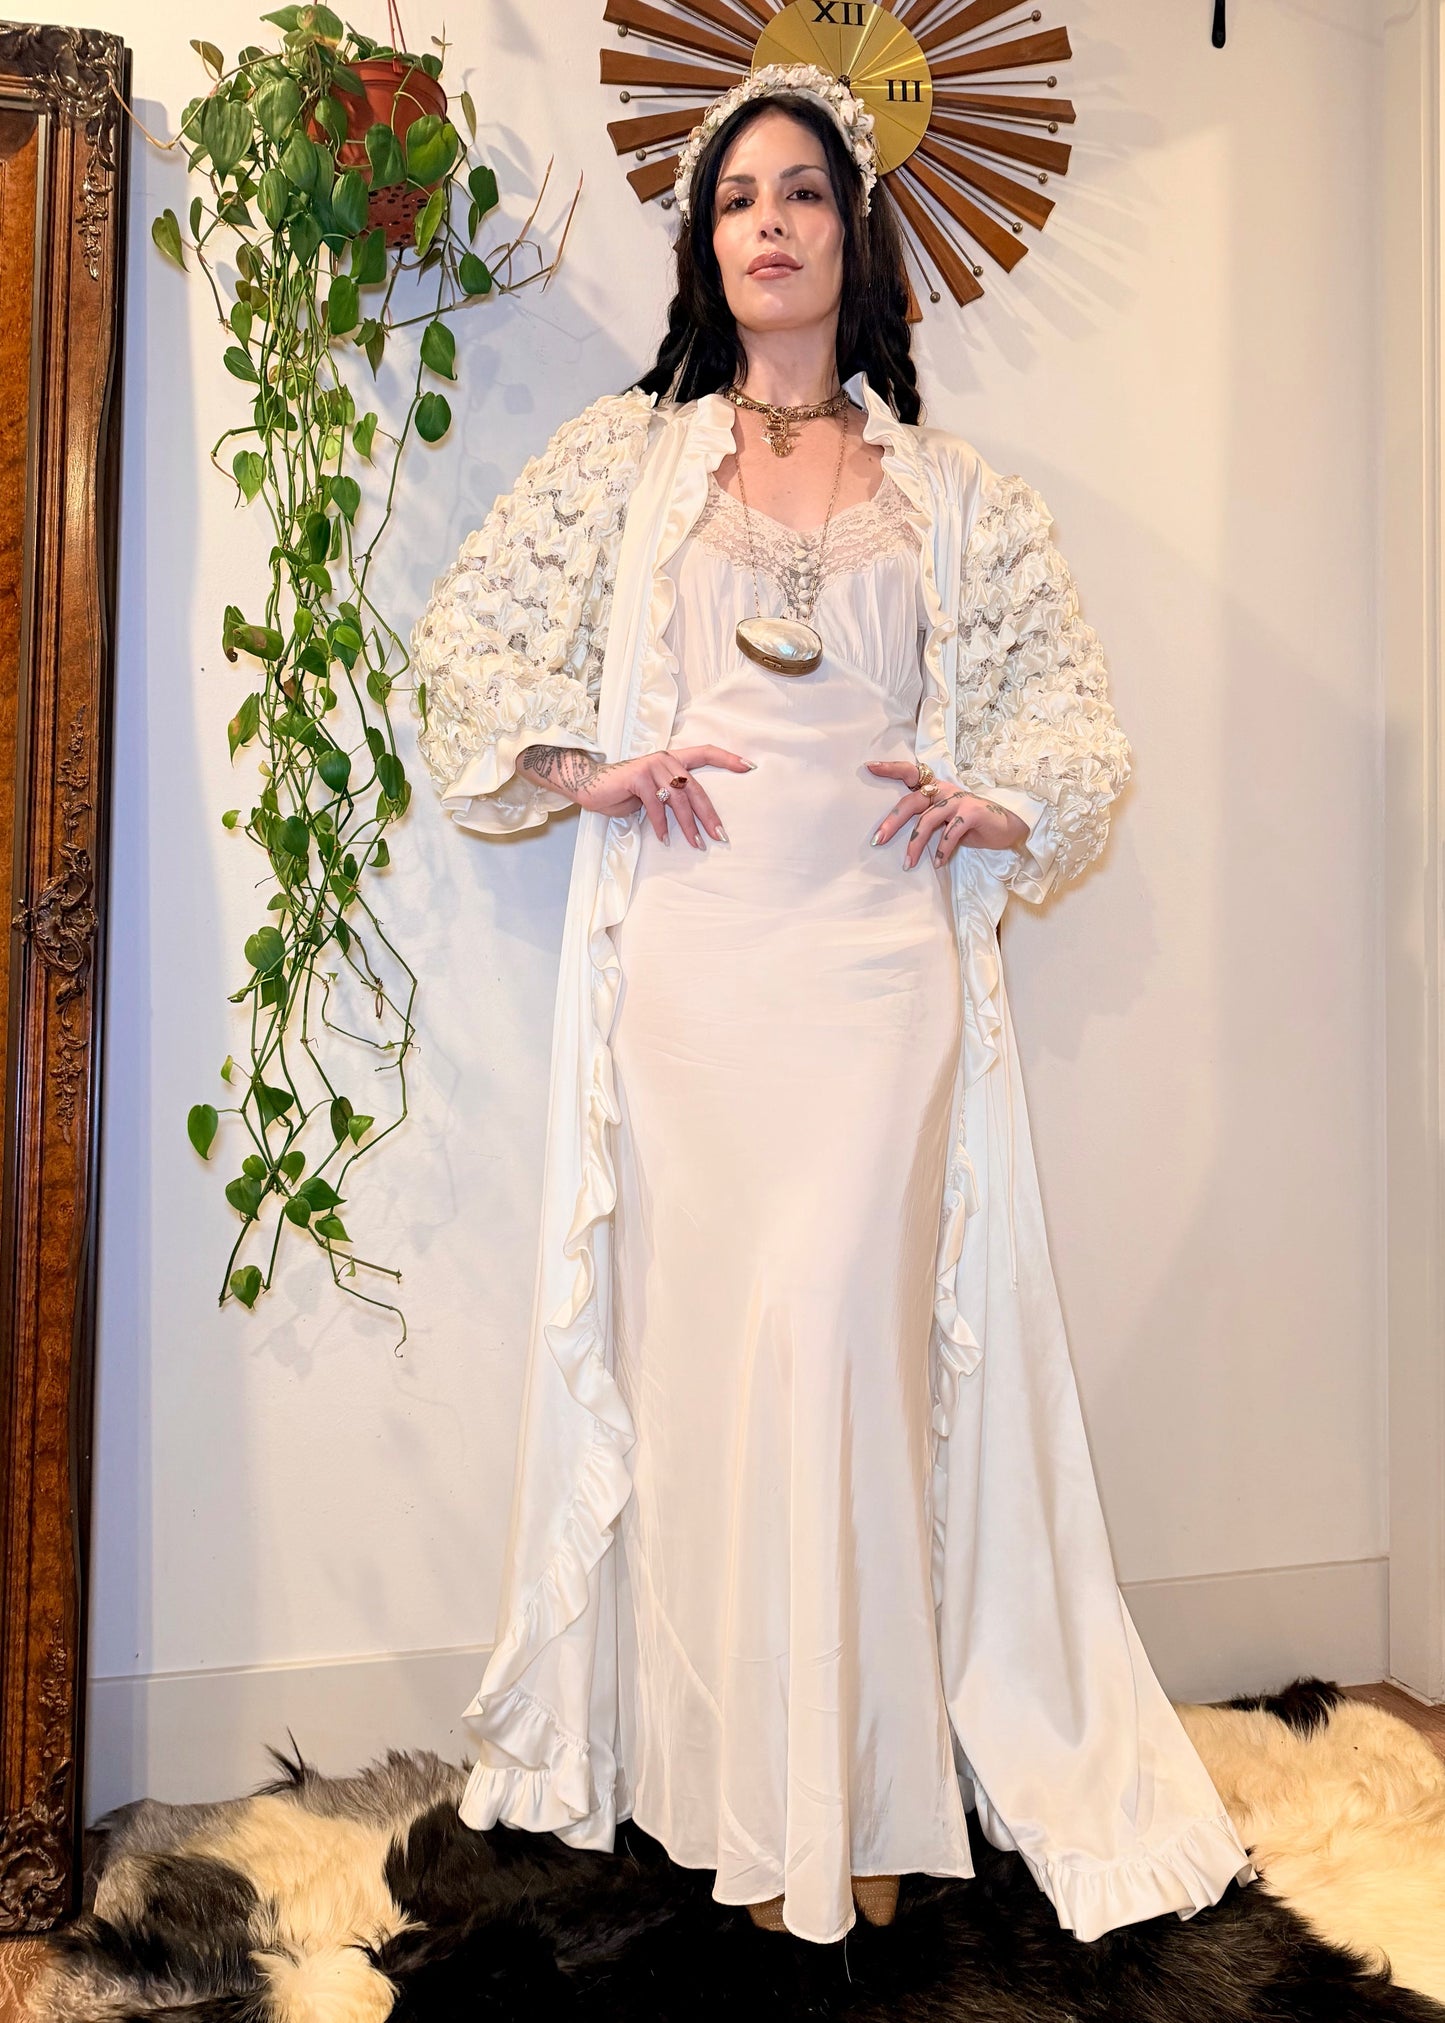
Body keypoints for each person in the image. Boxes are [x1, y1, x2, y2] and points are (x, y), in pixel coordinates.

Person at [410, 62, 1256, 1946]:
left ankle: (862, 1787)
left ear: (851, 236)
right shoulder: (621, 466)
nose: (769, 223)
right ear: (705, 246)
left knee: (850, 1357)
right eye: (735, 200)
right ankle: (737, 1784)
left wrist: (1004, 796)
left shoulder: (957, 497)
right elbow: (461, 662)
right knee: (715, 1372)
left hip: (879, 988)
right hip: (692, 986)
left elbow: (1074, 728)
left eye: (800, 193)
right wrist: (589, 766)